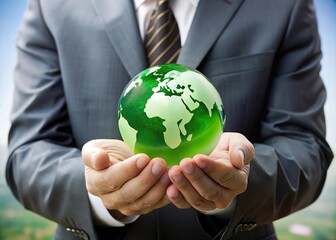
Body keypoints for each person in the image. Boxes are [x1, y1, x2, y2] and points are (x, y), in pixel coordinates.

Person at [6, 0, 333, 239]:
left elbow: (305, 148)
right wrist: (97, 193)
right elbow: (27, 152)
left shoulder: (284, 7)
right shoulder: (52, 7)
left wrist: (237, 185)